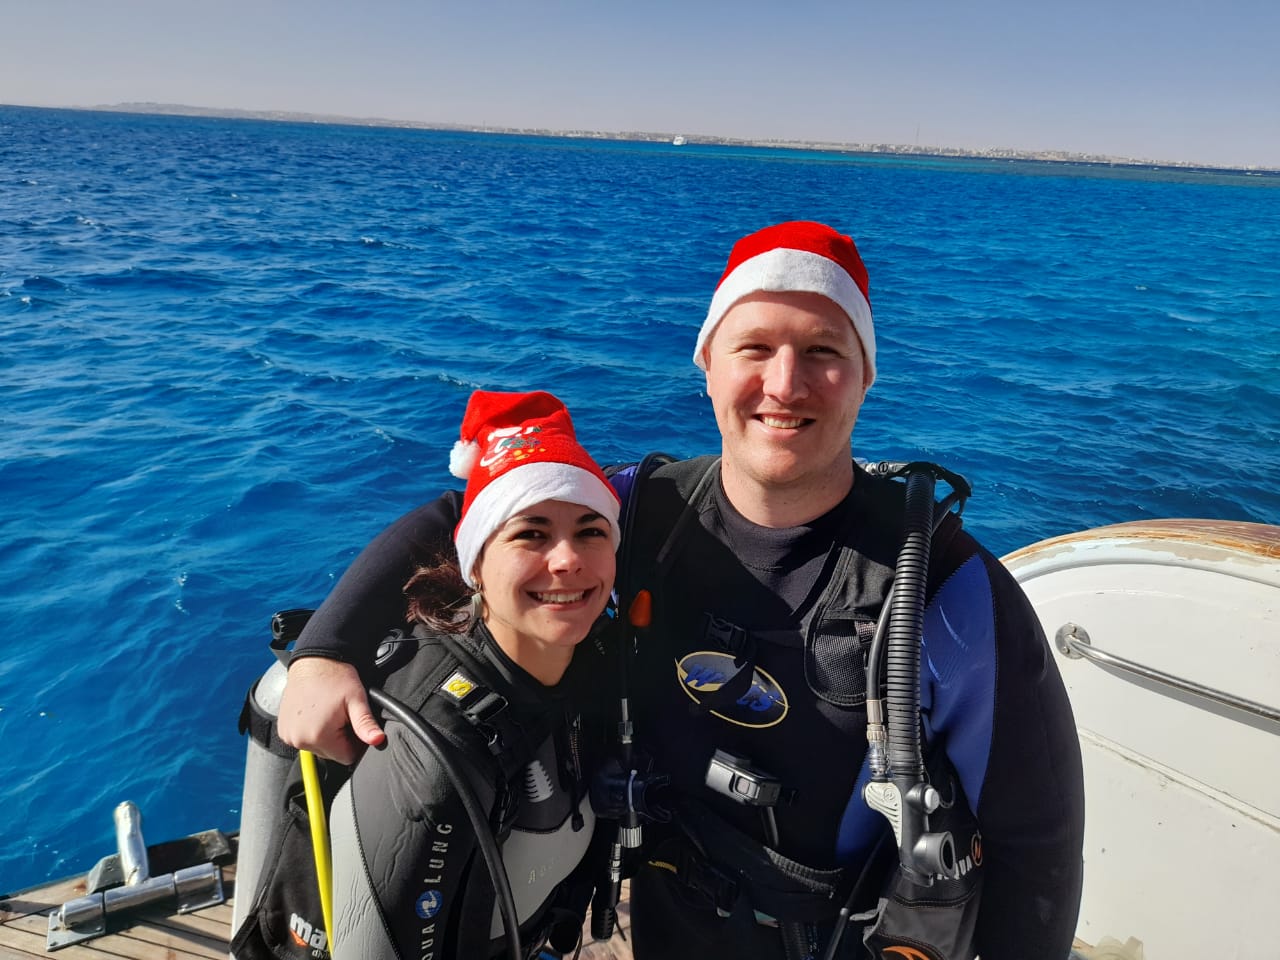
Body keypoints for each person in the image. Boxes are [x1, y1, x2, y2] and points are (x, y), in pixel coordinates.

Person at [277, 222, 1086, 959]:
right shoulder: (642, 510)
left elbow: (1038, 845)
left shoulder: (946, 589)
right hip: (668, 918)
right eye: (754, 348)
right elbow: (467, 515)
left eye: (823, 352)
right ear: (707, 366)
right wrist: (326, 649)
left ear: (865, 376)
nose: (785, 384)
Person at [258, 390, 622, 960]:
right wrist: (324, 647)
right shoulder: (435, 753)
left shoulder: (591, 660)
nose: (567, 559)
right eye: (530, 533)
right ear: (474, 564)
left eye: (591, 531)